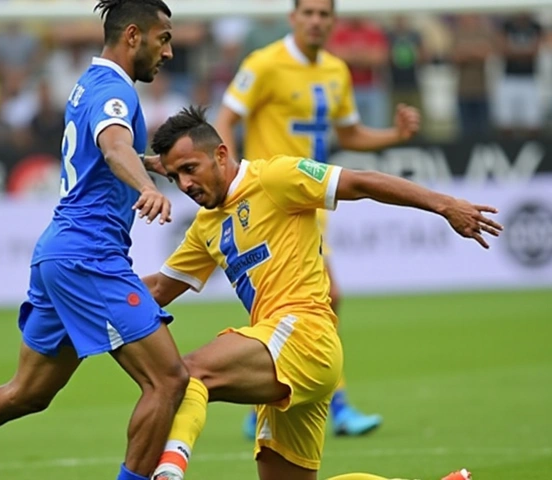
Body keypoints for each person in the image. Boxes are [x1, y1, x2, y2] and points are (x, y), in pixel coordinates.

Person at [0, 2, 204, 480]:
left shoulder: (87, 81)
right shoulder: (114, 90)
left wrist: (145, 162)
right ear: (133, 35)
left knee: (26, 392)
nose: (169, 51)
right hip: (89, 255)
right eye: (163, 38)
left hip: (59, 251)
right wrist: (146, 187)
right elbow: (111, 146)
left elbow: (105, 149)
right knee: (168, 379)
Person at [145, 106, 499, 480]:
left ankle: (168, 471)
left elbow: (361, 182)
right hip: (279, 357)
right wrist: (85, 295)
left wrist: (445, 205)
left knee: (187, 373)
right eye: (174, 178)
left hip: (303, 335)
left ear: (220, 154)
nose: (184, 185)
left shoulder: (275, 177)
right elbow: (159, 289)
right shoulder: (205, 226)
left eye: (189, 170)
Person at [214, 0, 421, 438]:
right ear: (293, 18)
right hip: (271, 201)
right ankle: (337, 405)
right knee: (327, 295)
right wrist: (230, 181)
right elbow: (226, 117)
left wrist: (394, 135)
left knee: (281, 305)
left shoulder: (335, 71)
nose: (315, 21)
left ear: (333, 22)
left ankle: (263, 402)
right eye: (307, 12)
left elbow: (349, 134)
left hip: (311, 199)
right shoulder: (264, 63)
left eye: (323, 14)